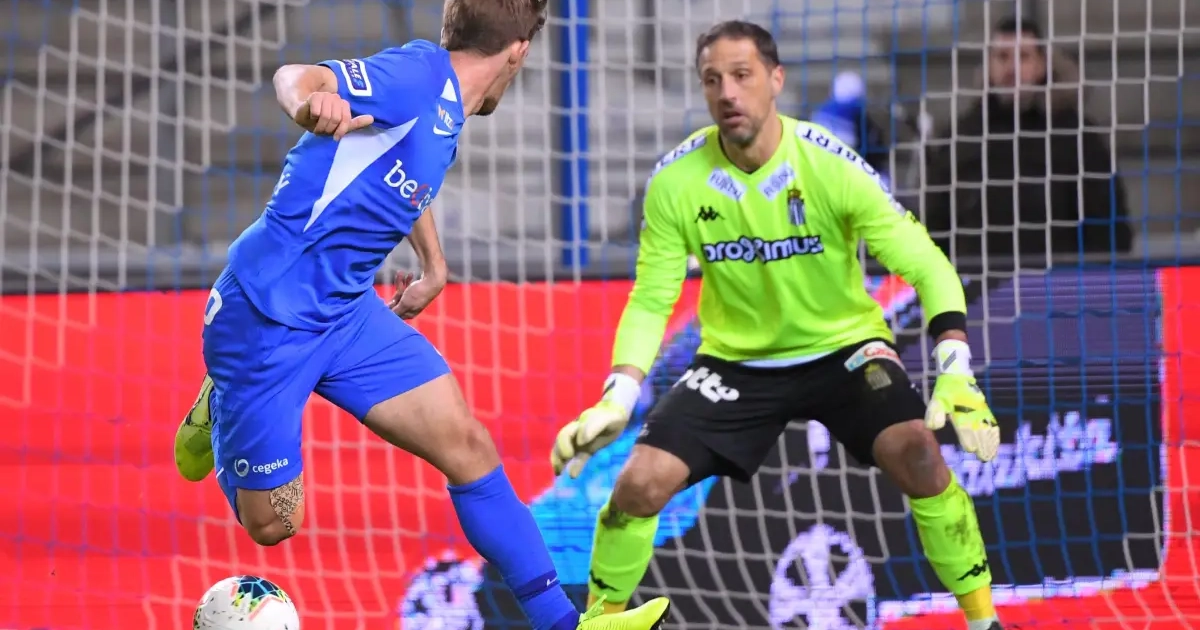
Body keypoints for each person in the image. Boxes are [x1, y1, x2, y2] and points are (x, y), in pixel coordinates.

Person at [171, 2, 672, 628]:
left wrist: (433, 263)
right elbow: (296, 76)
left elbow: (402, 175)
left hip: (347, 313)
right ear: (519, 52)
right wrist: (308, 103)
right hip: (269, 317)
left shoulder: (445, 109)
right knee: (274, 524)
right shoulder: (417, 75)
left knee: (469, 446)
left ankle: (563, 624)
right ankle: (221, 396)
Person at [550, 20, 1006, 630]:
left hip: (845, 350)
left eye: (742, 76)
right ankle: (601, 622)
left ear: (776, 79)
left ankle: (983, 621)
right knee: (638, 483)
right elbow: (652, 298)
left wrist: (955, 368)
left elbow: (926, 263)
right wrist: (619, 395)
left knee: (919, 452)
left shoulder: (830, 163)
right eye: (712, 80)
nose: (727, 93)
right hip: (735, 365)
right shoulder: (675, 181)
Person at [922, 16, 1132, 267]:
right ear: (989, 65)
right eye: (1002, 57)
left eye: (1023, 57)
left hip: (1057, 284)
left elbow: (1109, 229)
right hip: (976, 284)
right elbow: (935, 226)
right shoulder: (960, 138)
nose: (1012, 68)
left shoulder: (1078, 137)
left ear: (1042, 64)